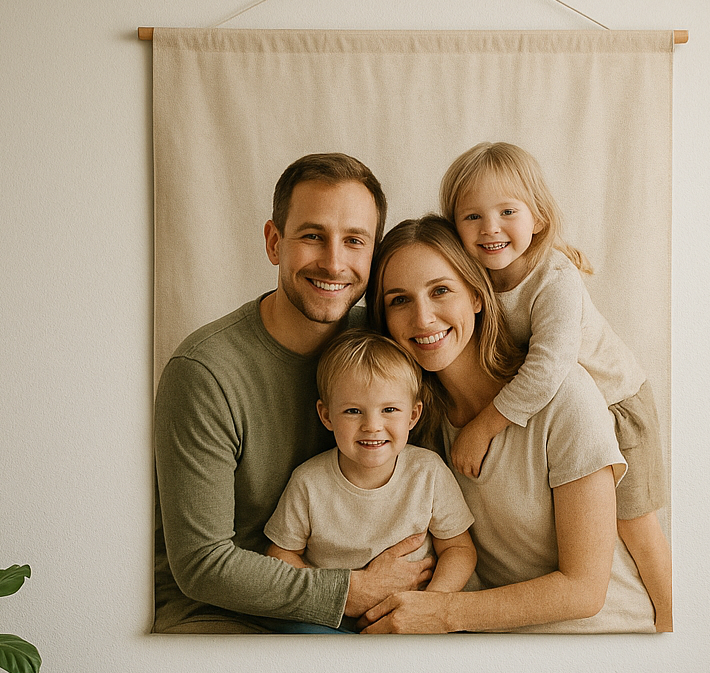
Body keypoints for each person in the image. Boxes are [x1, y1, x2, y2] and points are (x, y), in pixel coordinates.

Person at [153, 153, 435, 633]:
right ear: (274, 241)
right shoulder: (205, 372)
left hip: (369, 612)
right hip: (229, 618)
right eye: (312, 236)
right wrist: (353, 589)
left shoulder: (387, 343)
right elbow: (202, 563)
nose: (334, 262)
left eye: (354, 241)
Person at [363, 215, 656, 635]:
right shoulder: (413, 427)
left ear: (477, 297)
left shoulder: (564, 396)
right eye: (399, 300)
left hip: (605, 644)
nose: (423, 318)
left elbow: (584, 590)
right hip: (493, 651)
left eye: (441, 290)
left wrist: (441, 613)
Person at [439, 142, 673, 632]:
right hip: (556, 403)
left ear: (539, 217)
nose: (491, 228)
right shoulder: (476, 279)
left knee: (632, 520)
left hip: (615, 401)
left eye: (507, 212)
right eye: (472, 217)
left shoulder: (556, 278)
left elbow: (549, 366)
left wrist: (485, 425)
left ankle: (670, 615)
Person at [263, 332, 477, 632]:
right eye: (353, 411)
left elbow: (458, 550)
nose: (372, 426)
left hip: (412, 620)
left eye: (389, 410)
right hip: (331, 622)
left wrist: (432, 603)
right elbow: (280, 554)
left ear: (413, 415)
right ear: (326, 416)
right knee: (296, 635)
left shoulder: (427, 472)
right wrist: (332, 596)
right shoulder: (309, 482)